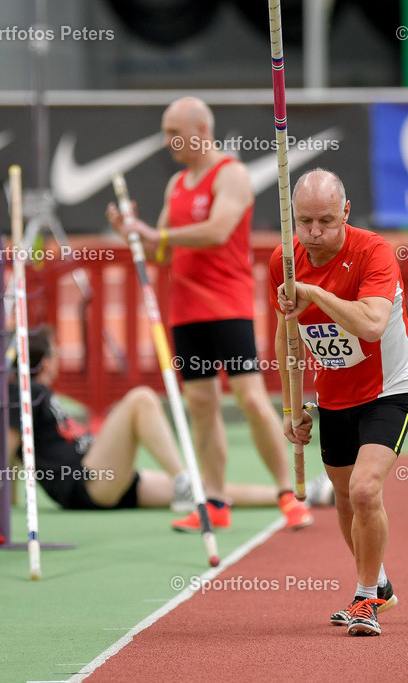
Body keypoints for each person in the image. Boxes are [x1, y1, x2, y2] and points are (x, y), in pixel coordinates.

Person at [106, 96, 311, 532]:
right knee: (201, 404)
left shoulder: (231, 174)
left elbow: (218, 231)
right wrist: (133, 235)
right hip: (185, 312)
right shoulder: (176, 184)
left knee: (253, 400)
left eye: (173, 132)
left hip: (227, 305)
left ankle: (287, 493)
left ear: (200, 130)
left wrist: (154, 232)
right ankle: (216, 501)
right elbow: (162, 250)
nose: (167, 141)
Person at [271, 169, 408, 637]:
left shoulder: (373, 252)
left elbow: (373, 326)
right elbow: (288, 335)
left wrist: (314, 292)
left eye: (326, 221)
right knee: (342, 499)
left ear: (346, 213)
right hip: (334, 392)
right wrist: (292, 407)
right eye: (305, 221)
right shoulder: (284, 259)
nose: (314, 232)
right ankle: (379, 585)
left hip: (390, 388)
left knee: (363, 489)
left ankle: (363, 601)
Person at [0, 328, 304, 514]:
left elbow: (15, 457)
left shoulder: (41, 397)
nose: (59, 360)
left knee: (210, 488)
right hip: (88, 483)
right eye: (54, 354)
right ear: (42, 362)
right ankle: (182, 479)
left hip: (108, 476)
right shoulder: (24, 393)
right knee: (141, 398)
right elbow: (3, 453)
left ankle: (294, 495)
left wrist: (6, 503)